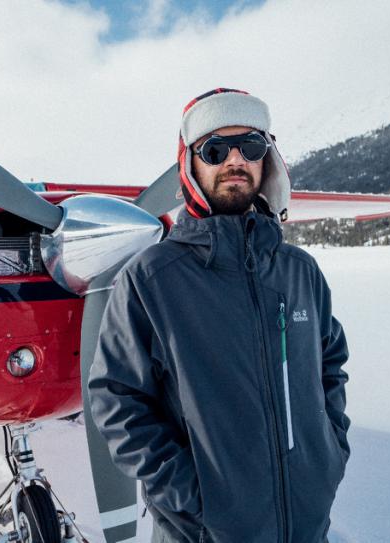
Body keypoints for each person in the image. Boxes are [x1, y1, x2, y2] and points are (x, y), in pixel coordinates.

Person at [87, 88, 350, 543]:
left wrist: (329, 454)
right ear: (190, 164)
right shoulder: (151, 279)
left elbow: (330, 366)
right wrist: (195, 498)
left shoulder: (300, 271)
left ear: (267, 159)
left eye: (249, 146)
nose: (234, 160)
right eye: (215, 148)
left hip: (308, 527)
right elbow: (117, 400)